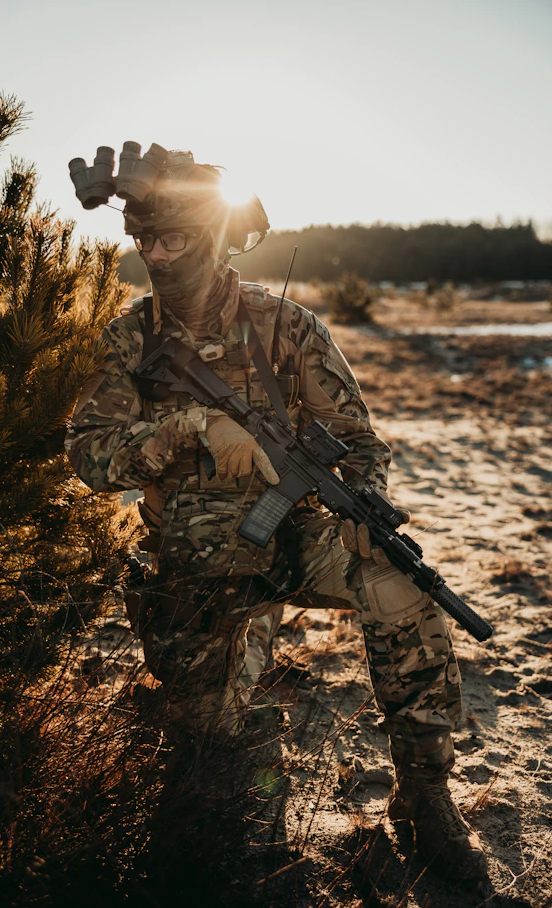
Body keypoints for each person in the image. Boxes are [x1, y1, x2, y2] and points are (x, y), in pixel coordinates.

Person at [65, 146, 488, 880]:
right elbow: (89, 454)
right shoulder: (132, 339)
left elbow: (360, 441)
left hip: (298, 538)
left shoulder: (285, 326)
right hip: (197, 564)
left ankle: (425, 794)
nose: (157, 257)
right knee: (206, 748)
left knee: (403, 585)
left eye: (174, 240)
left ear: (214, 237)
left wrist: (363, 504)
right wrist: (193, 427)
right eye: (146, 242)